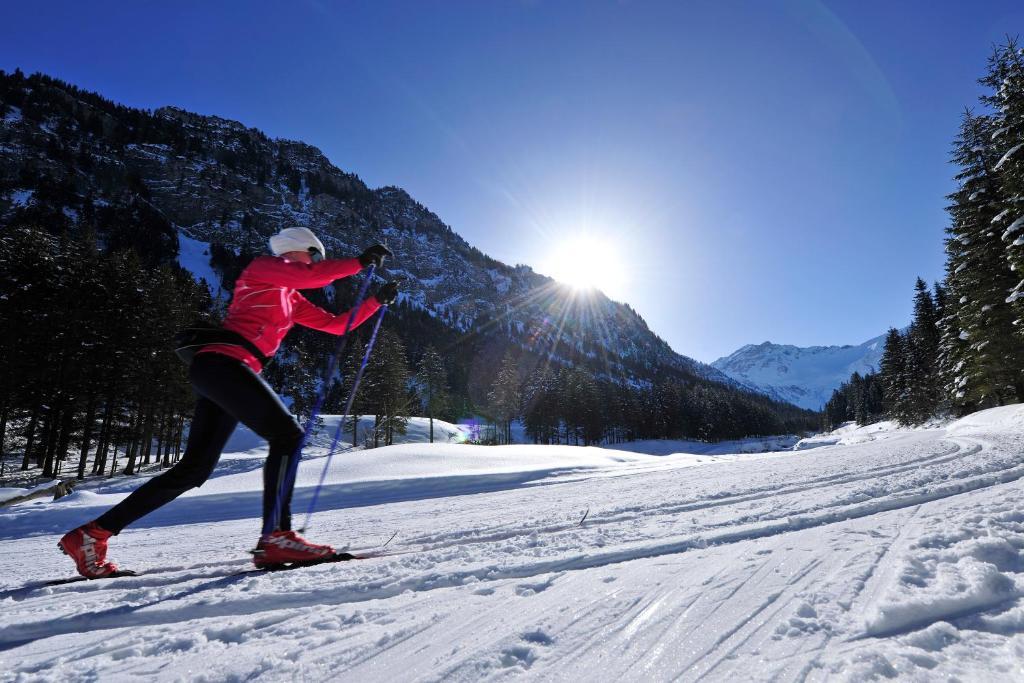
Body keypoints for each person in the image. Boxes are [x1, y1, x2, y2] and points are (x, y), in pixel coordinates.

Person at [58, 227, 400, 578]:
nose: (317, 262)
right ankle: (277, 536)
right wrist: (358, 263)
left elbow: (334, 324)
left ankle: (92, 535)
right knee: (288, 436)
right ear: (301, 250)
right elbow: (311, 276)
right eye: (315, 255)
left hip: (224, 371)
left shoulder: (289, 297)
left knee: (195, 470)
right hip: (223, 364)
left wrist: (375, 302)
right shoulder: (263, 268)